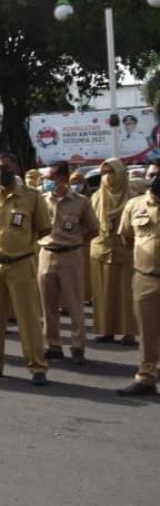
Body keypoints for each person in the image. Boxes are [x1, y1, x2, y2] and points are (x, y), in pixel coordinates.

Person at [0, 152, 52, 385]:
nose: (0, 172)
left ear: (15, 168)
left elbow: (44, 229)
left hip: (20, 262)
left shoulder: (32, 197)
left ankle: (37, 367)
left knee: (28, 319)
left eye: (5, 167)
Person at [37, 162, 98, 363]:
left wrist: (76, 243)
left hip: (70, 256)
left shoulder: (80, 202)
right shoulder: (41, 201)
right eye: (45, 178)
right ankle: (53, 345)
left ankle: (78, 346)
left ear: (62, 179)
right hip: (46, 253)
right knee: (48, 304)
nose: (46, 182)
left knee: (74, 303)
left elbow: (93, 229)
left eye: (50, 178)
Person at [116, 162, 160, 395]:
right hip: (146, 278)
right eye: (151, 175)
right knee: (148, 330)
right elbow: (127, 237)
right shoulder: (134, 206)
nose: (155, 179)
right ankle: (146, 377)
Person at [90, 158, 139, 346]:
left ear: (121, 174)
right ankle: (106, 330)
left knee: (126, 293)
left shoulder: (132, 198)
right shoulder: (96, 198)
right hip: (100, 250)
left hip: (126, 251)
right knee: (103, 293)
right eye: (104, 173)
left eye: (111, 172)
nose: (107, 177)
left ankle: (129, 332)